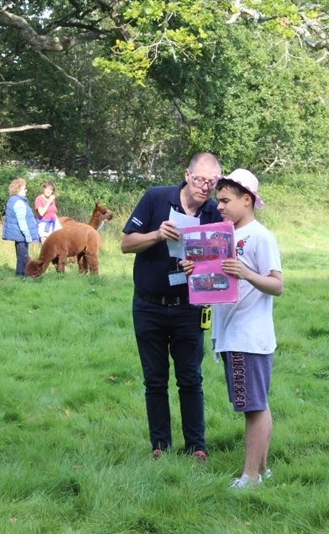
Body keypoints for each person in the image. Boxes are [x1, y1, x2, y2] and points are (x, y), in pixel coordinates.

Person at [121, 152, 222, 461]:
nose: (205, 187)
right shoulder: (156, 198)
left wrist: (201, 268)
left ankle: (197, 447)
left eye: (212, 182)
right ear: (186, 174)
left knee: (190, 377)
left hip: (188, 307)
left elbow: (221, 266)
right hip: (149, 305)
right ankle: (160, 447)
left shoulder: (214, 213)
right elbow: (126, 244)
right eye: (200, 179)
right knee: (154, 379)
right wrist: (156, 234)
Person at [212, 168, 283, 488]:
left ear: (247, 199)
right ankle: (263, 471)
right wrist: (194, 271)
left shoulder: (260, 236)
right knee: (254, 403)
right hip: (230, 334)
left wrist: (247, 274)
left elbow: (277, 285)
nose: (220, 206)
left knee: (254, 407)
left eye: (226, 200)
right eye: (218, 200)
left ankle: (250, 476)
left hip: (248, 337)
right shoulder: (224, 236)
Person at [2, 178, 39, 276]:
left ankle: (20, 275)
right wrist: (27, 234)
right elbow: (21, 220)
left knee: (21, 255)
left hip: (18, 233)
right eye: (24, 188)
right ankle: (22, 276)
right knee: (23, 256)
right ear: (18, 189)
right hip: (21, 234)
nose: (26, 190)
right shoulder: (19, 202)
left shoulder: (13, 200)